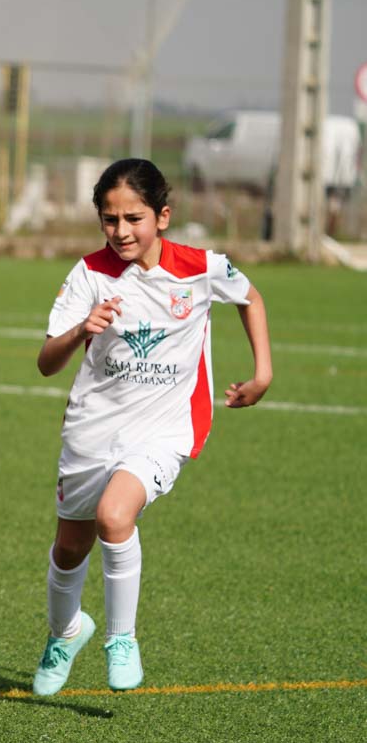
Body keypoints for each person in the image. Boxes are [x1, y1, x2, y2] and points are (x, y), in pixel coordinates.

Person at [30, 158, 272, 695]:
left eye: (133, 218)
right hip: (91, 431)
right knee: (70, 548)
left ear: (162, 216)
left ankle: (122, 639)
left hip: (164, 432)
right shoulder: (88, 275)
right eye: (109, 220)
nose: (121, 232)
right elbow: (47, 361)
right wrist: (79, 332)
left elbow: (250, 298)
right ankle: (65, 633)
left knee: (115, 517)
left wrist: (263, 373)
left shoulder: (202, 268)